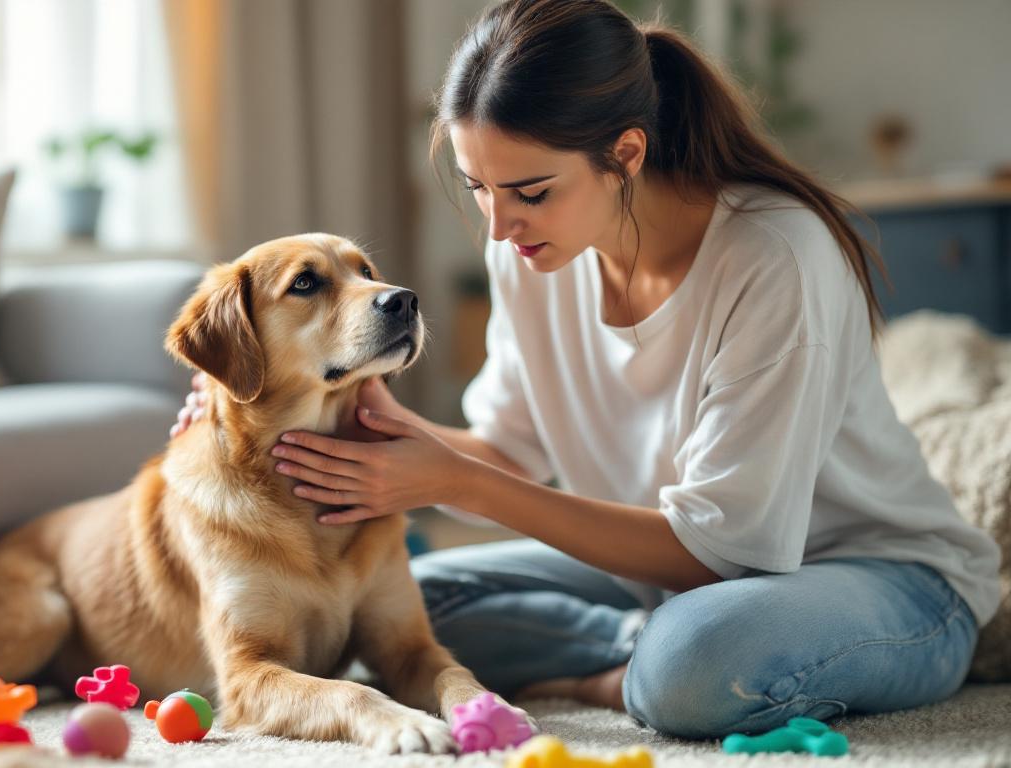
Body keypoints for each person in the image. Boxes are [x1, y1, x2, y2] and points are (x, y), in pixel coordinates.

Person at [171, 0, 1000, 740]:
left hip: (877, 583)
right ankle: (644, 659)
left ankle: (641, 672)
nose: (499, 226)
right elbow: (510, 448)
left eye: (529, 190)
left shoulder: (776, 256)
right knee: (415, 604)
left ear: (626, 153)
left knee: (699, 660)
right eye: (479, 188)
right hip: (656, 577)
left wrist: (454, 484)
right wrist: (296, 404)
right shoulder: (532, 248)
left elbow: (727, 550)